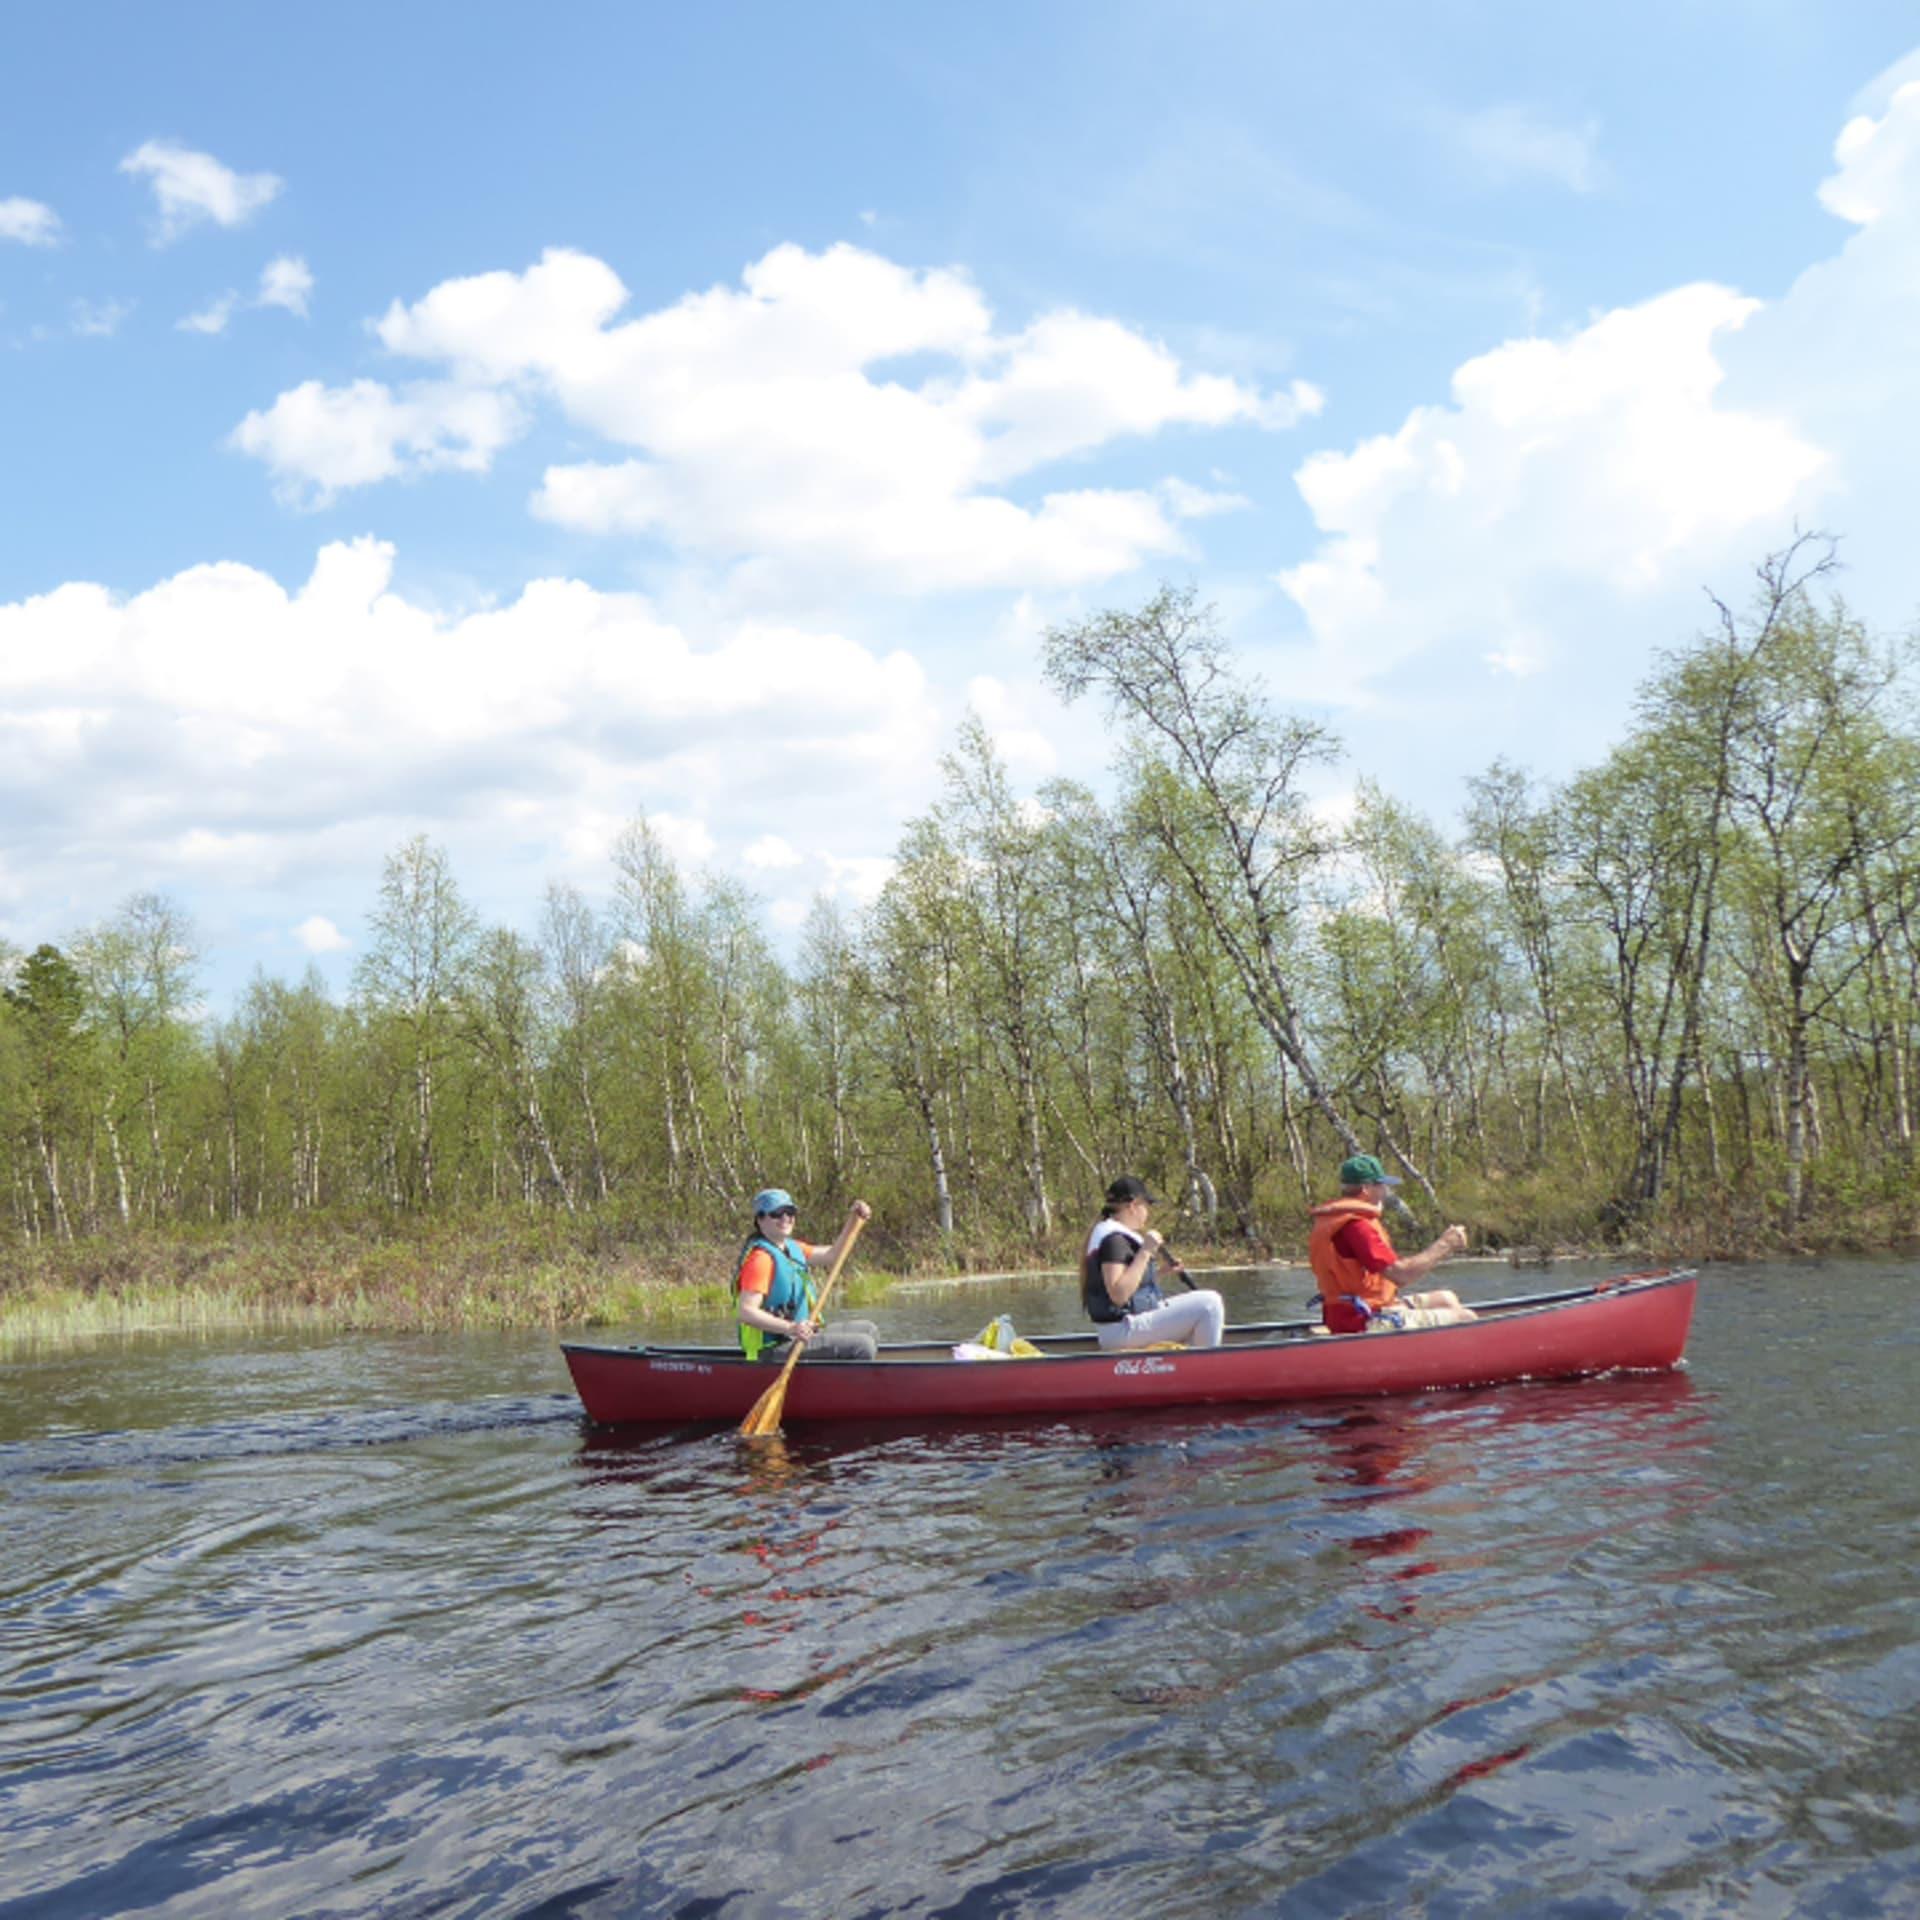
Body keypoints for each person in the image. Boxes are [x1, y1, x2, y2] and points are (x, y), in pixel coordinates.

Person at [1308, 1154, 1476, 1334]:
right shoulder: (1356, 1227)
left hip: (1359, 1310)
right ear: (1366, 1189)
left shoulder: (1338, 1220)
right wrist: (1446, 1244)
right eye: (1381, 1185)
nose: (1385, 1191)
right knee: (1466, 1318)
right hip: (1361, 1320)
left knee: (1446, 1298)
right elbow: (1401, 1275)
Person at [736, 1189, 880, 1362]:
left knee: (869, 1330)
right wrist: (791, 1327)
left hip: (799, 1336)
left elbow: (832, 1255)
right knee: (862, 1346)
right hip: (773, 1348)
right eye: (776, 1214)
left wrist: (853, 1221)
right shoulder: (760, 1260)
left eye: (790, 1212)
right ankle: (849, 1387)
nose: (785, 1218)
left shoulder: (792, 1247)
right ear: (760, 1220)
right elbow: (746, 1312)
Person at [1082, 1176, 1226, 1349]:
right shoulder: (1114, 1240)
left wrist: (1159, 1273)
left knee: (1204, 1306)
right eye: (1146, 1206)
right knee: (1210, 1303)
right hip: (1122, 1331)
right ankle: (1206, 1368)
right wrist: (1145, 1251)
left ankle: (1190, 1364)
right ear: (1133, 1206)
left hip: (1123, 1328)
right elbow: (1118, 1295)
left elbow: (1128, 1287)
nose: (1147, 1213)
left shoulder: (1113, 1236)